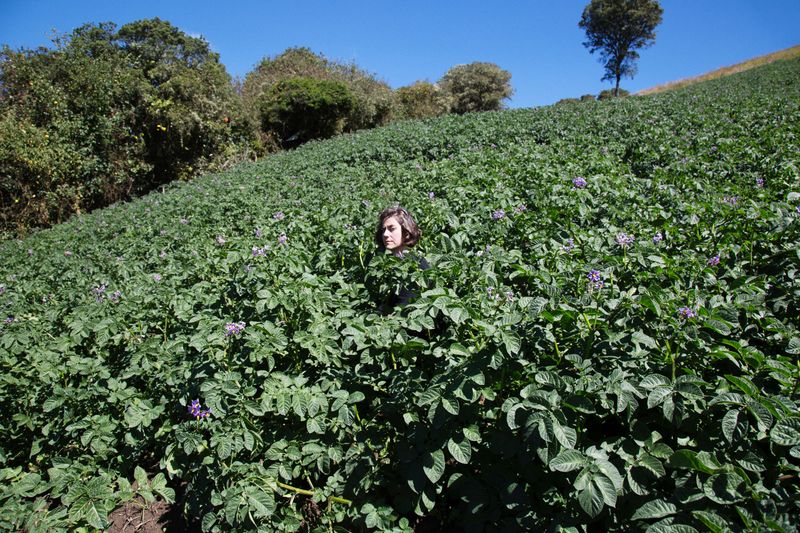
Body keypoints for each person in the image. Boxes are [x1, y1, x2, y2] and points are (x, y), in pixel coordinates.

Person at [372, 206, 430, 313]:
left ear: (406, 232)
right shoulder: (398, 262)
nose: (385, 234)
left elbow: (405, 309)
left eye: (391, 228)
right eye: (383, 230)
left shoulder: (414, 264)